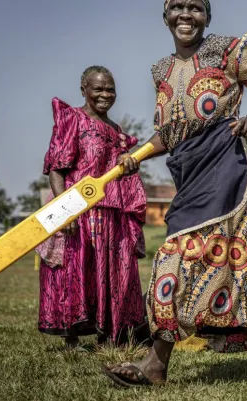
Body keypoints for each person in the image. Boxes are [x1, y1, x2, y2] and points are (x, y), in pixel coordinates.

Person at [103, 0, 247, 386]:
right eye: (177, 6)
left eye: (196, 7)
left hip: (231, 165)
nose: (186, 14)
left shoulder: (229, 49)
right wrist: (135, 155)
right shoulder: (161, 70)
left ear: (208, 17)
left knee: (179, 256)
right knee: (234, 265)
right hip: (190, 172)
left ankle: (155, 365)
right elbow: (170, 132)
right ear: (165, 17)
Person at [36, 66, 146, 347]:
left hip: (111, 212)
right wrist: (65, 211)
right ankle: (71, 340)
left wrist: (128, 162)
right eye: (98, 88)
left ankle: (108, 335)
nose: (105, 94)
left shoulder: (116, 130)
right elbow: (56, 169)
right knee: (75, 270)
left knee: (109, 272)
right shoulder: (73, 118)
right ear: (83, 89)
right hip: (78, 210)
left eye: (110, 89)